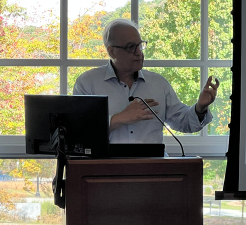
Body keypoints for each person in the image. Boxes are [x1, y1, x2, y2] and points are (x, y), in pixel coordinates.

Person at [73, 18, 219, 155]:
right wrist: (119, 118)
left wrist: (200, 108)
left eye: (140, 45)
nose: (139, 53)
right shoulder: (87, 83)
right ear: (111, 51)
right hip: (104, 171)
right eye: (131, 47)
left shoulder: (158, 84)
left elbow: (185, 123)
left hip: (153, 171)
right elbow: (79, 134)